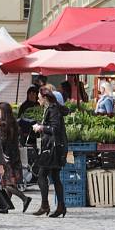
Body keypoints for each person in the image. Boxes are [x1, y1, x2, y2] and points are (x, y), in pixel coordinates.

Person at [31, 87, 69, 218]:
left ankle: (45, 205)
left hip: (53, 149)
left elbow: (55, 129)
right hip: (54, 147)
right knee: (55, 177)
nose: (37, 99)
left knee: (42, 175)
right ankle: (61, 206)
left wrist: (40, 127)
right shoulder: (52, 108)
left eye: (39, 97)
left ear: (45, 98)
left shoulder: (52, 109)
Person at [0, 102, 32, 213]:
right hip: (15, 154)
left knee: (6, 183)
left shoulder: (3, 124)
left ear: (2, 111)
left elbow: (2, 141)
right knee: (10, 181)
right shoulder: (14, 123)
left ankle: (24, 198)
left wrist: (0, 154)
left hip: (6, 156)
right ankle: (6, 206)